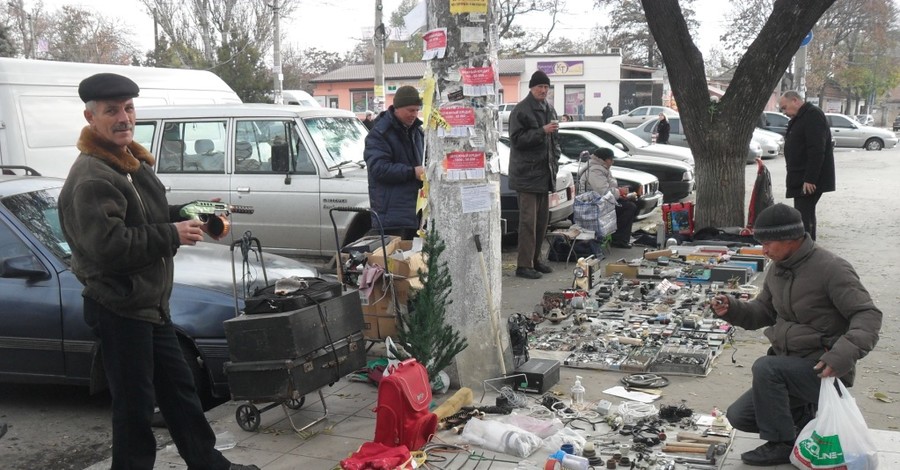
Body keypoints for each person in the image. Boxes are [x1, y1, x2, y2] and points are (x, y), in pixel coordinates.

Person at [57, 73, 259, 470]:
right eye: (111, 111)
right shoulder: (93, 178)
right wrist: (172, 233)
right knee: (134, 409)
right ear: (90, 117)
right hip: (120, 306)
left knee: (181, 395)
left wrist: (189, 211)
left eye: (129, 108)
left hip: (149, 304)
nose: (123, 118)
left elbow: (147, 218)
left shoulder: (130, 163)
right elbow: (110, 247)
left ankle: (209, 464)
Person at [711, 203, 881, 466]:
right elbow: (763, 312)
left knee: (767, 367)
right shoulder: (777, 268)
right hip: (787, 367)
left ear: (791, 239)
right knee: (739, 416)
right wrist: (732, 309)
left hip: (823, 367)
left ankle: (782, 443)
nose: (764, 250)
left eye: (768, 243)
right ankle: (804, 419)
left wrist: (841, 355)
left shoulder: (832, 268)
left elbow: (868, 315)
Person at [508, 70, 560, 279]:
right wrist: (542, 131)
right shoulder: (521, 110)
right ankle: (523, 265)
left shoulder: (550, 109)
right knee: (528, 222)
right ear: (531, 87)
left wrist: (556, 156)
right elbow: (517, 140)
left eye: (546, 87)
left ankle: (536, 260)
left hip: (544, 174)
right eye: (540, 87)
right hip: (526, 176)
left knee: (542, 221)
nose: (543, 90)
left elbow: (555, 140)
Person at [364, 85, 425, 239]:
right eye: (411, 110)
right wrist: (412, 172)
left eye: (417, 110)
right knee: (393, 261)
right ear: (397, 108)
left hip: (415, 214)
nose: (415, 114)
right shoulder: (379, 133)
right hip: (392, 217)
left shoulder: (417, 132)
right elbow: (378, 169)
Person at [777, 90, 835, 240]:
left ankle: (807, 251)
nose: (784, 112)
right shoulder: (800, 117)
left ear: (795, 100)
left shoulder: (812, 115)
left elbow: (816, 149)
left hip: (808, 179)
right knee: (804, 215)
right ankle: (808, 248)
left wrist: (810, 178)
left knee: (804, 217)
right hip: (799, 175)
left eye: (784, 107)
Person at [583, 147, 638, 249]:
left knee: (630, 203)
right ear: (605, 160)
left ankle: (621, 236)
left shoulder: (601, 168)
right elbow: (603, 192)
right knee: (629, 207)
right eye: (611, 159)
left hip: (602, 201)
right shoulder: (595, 171)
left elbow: (608, 187)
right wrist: (619, 192)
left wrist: (620, 192)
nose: (612, 162)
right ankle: (619, 239)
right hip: (594, 204)